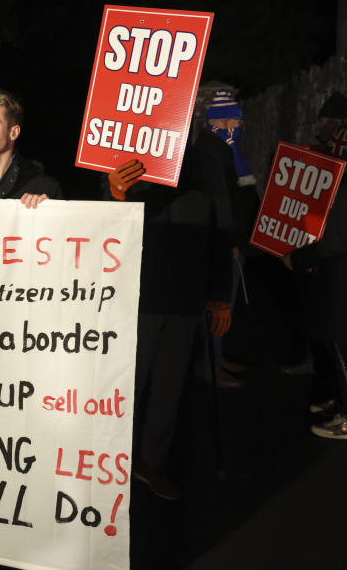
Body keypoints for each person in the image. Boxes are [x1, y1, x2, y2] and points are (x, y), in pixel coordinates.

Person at [107, 150, 232, 501]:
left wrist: (219, 294)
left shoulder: (204, 160)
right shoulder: (130, 151)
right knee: (127, 384)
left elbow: (220, 230)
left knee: (169, 387)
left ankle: (151, 463)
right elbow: (106, 223)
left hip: (185, 297)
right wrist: (116, 193)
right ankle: (113, 460)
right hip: (137, 295)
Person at [285, 127, 347, 440]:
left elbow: (338, 241)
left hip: (345, 282)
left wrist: (298, 258)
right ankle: (341, 403)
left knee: (343, 350)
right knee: (339, 348)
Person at [191, 89, 248, 387]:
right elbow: (221, 201)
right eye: (236, 120)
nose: (239, 126)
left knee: (220, 302)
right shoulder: (215, 152)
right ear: (223, 121)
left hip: (217, 239)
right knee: (220, 301)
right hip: (220, 243)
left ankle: (215, 359)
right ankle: (209, 366)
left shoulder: (213, 148)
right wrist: (230, 243)